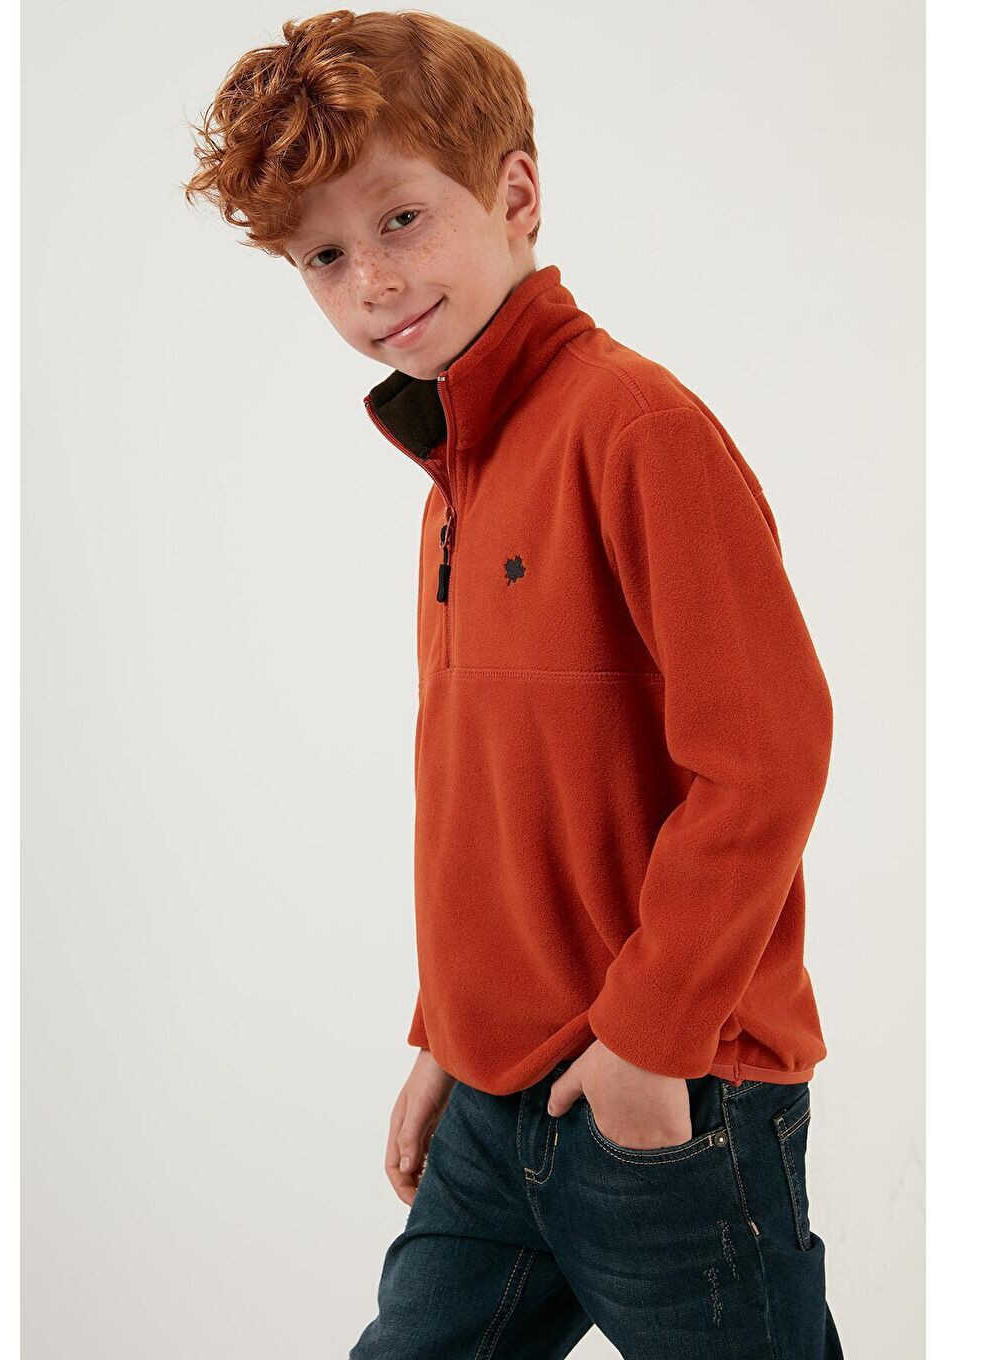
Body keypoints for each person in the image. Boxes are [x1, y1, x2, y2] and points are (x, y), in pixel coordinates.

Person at [184, 10, 844, 1357]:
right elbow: (495, 796)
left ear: (517, 195)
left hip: (669, 1105)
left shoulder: (634, 428)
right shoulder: (455, 476)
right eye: (324, 257)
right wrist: (448, 1031)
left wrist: (648, 1045)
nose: (371, 281)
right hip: (497, 1109)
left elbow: (769, 754)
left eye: (401, 220)